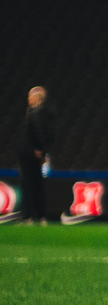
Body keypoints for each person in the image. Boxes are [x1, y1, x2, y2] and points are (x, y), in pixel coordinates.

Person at [20, 85, 52, 224]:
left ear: (36, 98)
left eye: (30, 96)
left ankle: (28, 217)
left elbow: (38, 133)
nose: (28, 98)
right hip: (36, 152)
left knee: (28, 184)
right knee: (37, 185)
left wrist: (38, 149)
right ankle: (40, 216)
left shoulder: (34, 113)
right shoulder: (44, 113)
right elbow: (48, 134)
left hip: (30, 153)